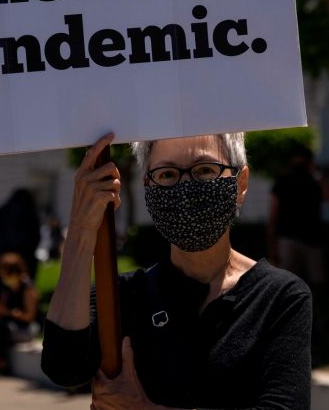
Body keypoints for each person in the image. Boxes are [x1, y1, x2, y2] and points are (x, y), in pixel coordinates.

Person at [41, 133, 312, 408]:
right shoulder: (121, 297)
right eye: (167, 174)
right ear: (148, 186)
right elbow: (64, 367)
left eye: (205, 170)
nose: (186, 187)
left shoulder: (279, 297)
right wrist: (82, 229)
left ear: (240, 183)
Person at [268, 143, 327, 325]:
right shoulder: (283, 181)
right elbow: (274, 215)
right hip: (290, 238)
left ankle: (315, 321)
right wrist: (273, 247)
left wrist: (316, 175)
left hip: (310, 240)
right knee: (289, 284)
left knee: (314, 284)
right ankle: (291, 322)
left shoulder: (314, 181)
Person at [0, 251, 38, 375]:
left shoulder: (27, 288)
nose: (2, 276)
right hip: (9, 326)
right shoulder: (7, 288)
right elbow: (1, 311)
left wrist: (10, 313)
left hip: (25, 329)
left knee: (0, 329)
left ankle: (2, 364)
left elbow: (30, 316)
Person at [0, 188, 41, 290]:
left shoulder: (5, 209)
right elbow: (36, 237)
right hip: (25, 256)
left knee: (2, 288)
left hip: (4, 254)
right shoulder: (30, 211)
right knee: (24, 288)